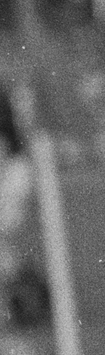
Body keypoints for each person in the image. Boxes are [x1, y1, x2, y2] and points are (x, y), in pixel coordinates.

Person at [0, 86, 51, 328]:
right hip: (12, 170)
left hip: (11, 173)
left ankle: (29, 299)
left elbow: (5, 144)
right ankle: (30, 297)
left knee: (5, 243)